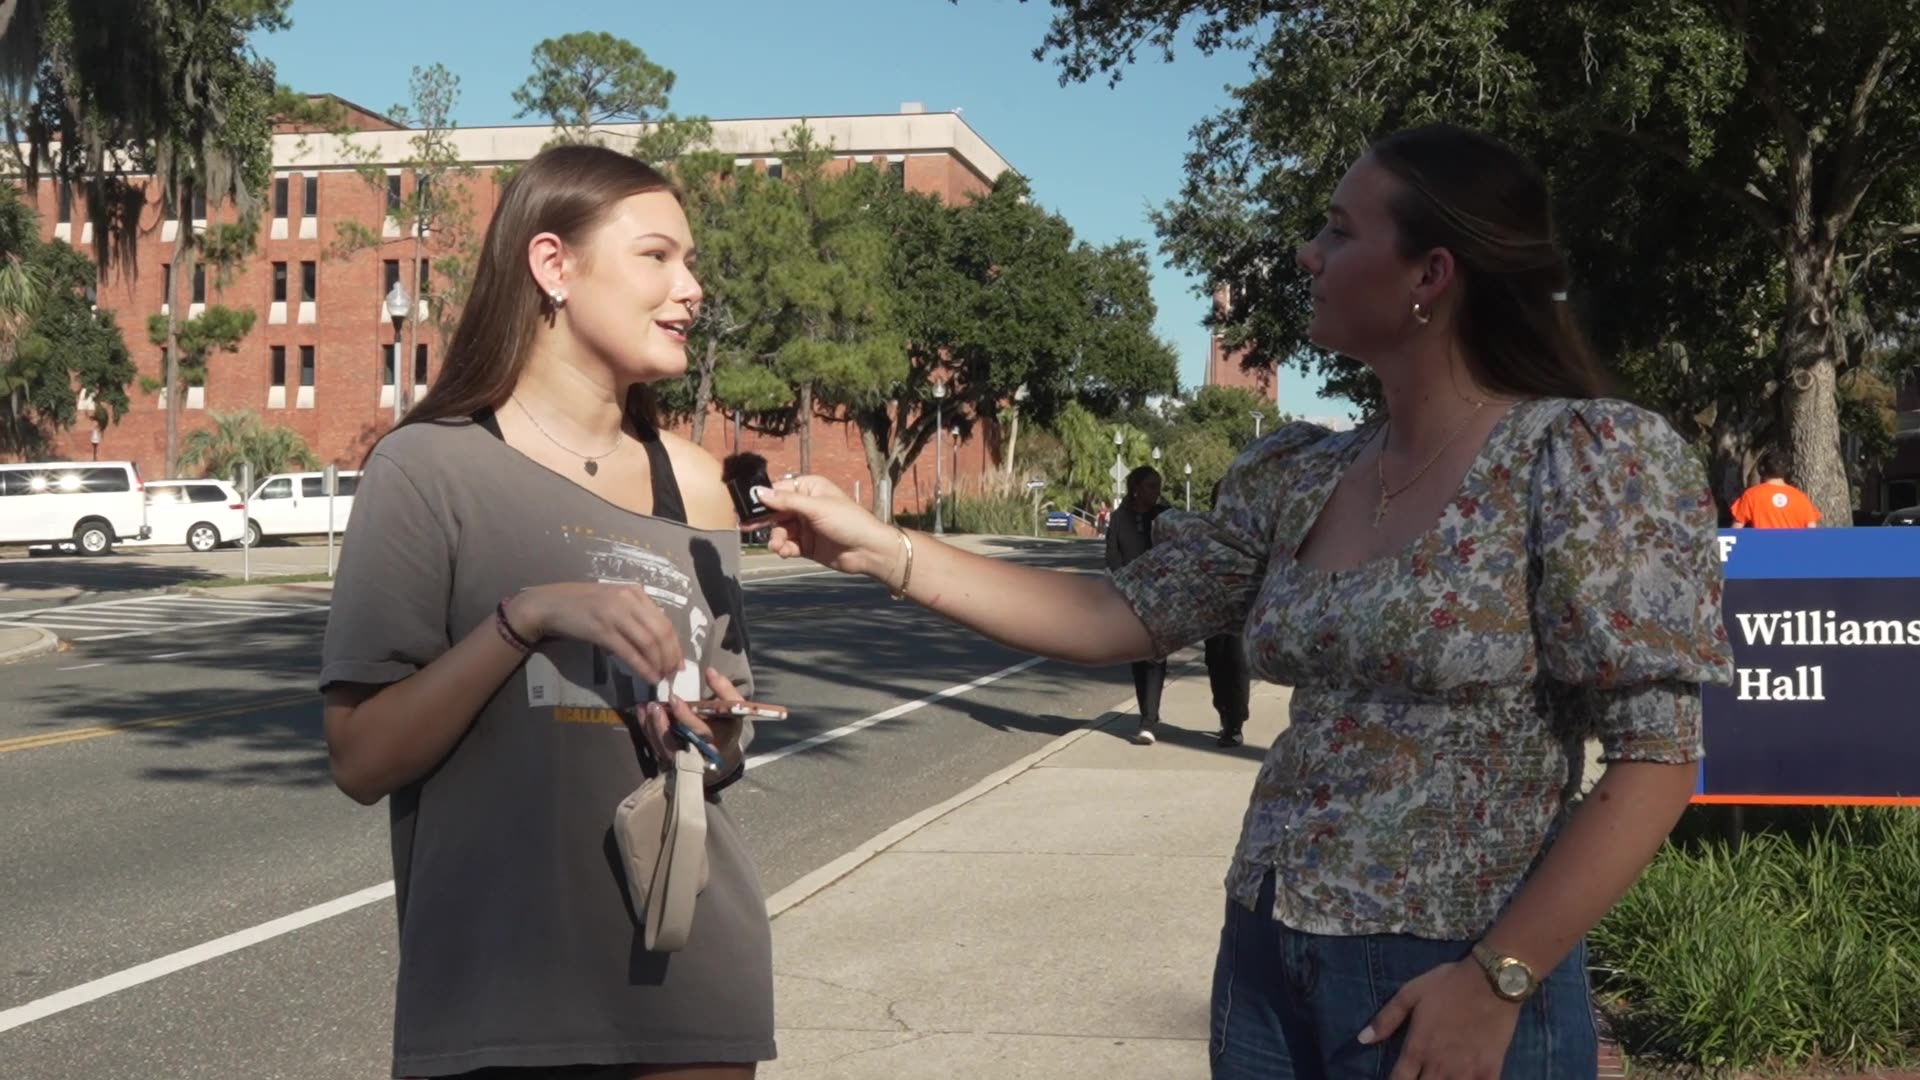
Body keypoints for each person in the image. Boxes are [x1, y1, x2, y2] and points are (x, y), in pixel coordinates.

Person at [748, 123, 1733, 1079]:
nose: (1309, 253)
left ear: (1432, 275)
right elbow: (1113, 618)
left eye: (1340, 231)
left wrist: (1498, 979)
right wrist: (885, 551)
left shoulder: (1588, 460)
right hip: (1267, 955)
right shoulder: (1299, 471)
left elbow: (1658, 760)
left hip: (1452, 966)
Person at [318, 145, 775, 1080]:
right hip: (500, 1004)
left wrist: (715, 721)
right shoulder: (425, 470)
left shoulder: (695, 486)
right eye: (658, 257)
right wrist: (526, 618)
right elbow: (362, 758)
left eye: (690, 263)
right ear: (552, 265)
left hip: (691, 980)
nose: (690, 288)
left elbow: (727, 753)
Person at [1106, 466, 1171, 744]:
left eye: (1158, 486)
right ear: (1136, 488)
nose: (1155, 492)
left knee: (1156, 657)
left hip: (1160, 595)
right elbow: (1112, 554)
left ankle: (1149, 721)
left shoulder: (1165, 516)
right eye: (1150, 486)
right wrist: (1125, 584)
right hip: (1131, 597)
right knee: (1138, 659)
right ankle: (1147, 714)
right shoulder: (1120, 518)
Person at [1201, 480, 1252, 749]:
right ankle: (1223, 712)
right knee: (1215, 662)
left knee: (1237, 662)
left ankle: (1235, 722)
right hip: (1212, 607)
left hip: (1240, 607)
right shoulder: (1206, 528)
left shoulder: (1248, 529)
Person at [1729, 451, 1821, 528]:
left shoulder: (1751, 495)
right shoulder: (1800, 497)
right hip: (1793, 549)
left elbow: (1736, 530)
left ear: (1761, 469)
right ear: (1787, 470)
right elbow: (1811, 530)